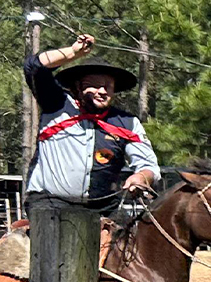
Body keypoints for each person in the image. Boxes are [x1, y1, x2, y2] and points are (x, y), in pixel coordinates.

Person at [24, 33, 159, 213]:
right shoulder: (55, 104)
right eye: (94, 85)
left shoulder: (127, 123)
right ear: (77, 87)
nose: (102, 91)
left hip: (104, 210)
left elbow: (148, 165)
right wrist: (73, 52)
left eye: (108, 86)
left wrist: (142, 177)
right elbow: (33, 67)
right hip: (49, 206)